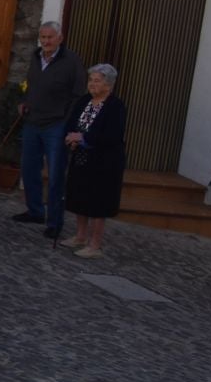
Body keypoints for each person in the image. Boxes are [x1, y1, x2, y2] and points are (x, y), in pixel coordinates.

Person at [16, 20, 88, 241]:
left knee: (56, 175)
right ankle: (35, 211)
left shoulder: (72, 61)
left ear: (60, 38)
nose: (46, 41)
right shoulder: (36, 57)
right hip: (32, 121)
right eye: (43, 37)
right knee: (28, 168)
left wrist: (68, 121)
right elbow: (29, 84)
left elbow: (78, 95)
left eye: (50, 37)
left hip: (56, 125)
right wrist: (24, 101)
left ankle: (55, 222)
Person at [61, 64, 128, 259]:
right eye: (90, 80)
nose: (92, 84)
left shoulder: (115, 107)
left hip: (104, 161)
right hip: (82, 157)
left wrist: (83, 138)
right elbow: (72, 123)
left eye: (97, 81)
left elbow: (111, 135)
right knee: (79, 195)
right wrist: (71, 137)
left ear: (109, 84)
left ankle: (95, 245)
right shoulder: (84, 101)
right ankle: (80, 236)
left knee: (98, 201)